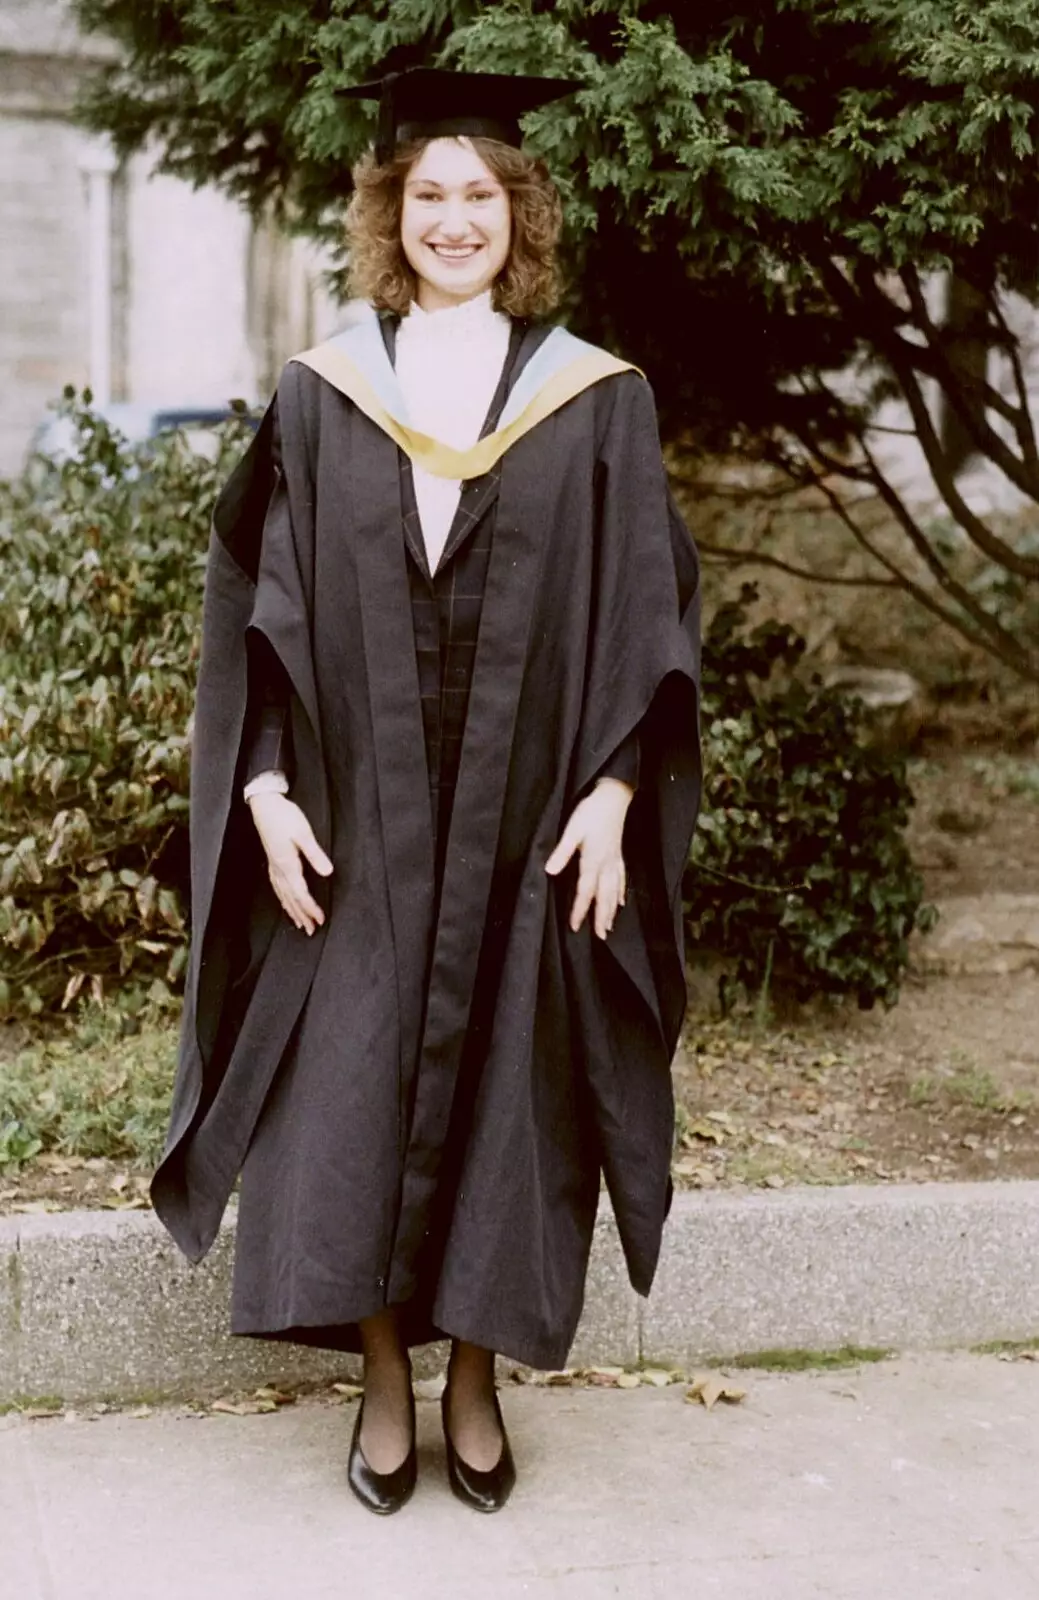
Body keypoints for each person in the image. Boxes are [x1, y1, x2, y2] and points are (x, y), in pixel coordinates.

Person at [152, 66, 702, 1517]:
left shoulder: (593, 401)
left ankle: (477, 1379)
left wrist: (613, 795)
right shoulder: (326, 396)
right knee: (349, 1087)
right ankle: (386, 1376)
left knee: (514, 1098)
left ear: (516, 214)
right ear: (389, 212)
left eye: (480, 194)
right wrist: (261, 788)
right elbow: (254, 615)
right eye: (427, 193)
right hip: (355, 820)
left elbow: (649, 617)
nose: (453, 218)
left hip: (528, 821)